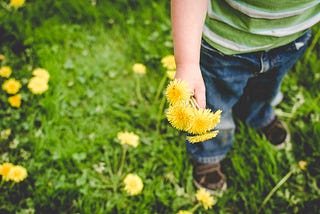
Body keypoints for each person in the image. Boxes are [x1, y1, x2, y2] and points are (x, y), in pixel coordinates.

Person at [171, 0, 319, 194]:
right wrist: (187, 64)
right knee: (213, 104)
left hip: (291, 40)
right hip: (224, 46)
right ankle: (210, 152)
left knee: (266, 88)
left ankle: (257, 113)